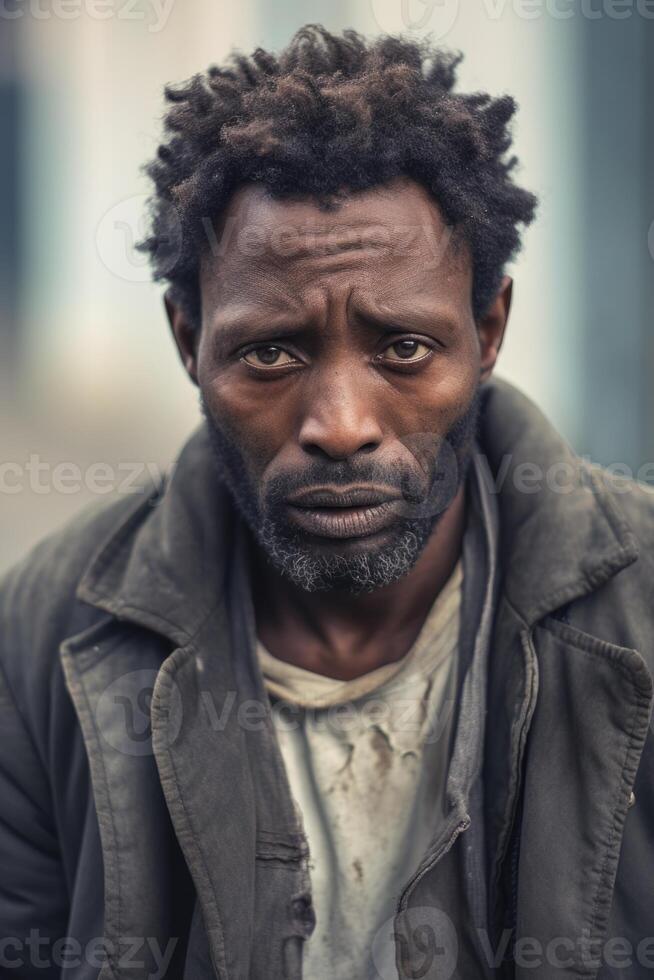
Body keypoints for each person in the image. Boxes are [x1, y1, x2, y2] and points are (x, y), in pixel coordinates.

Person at [1, 24, 653, 980]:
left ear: (488, 329)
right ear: (189, 342)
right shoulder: (42, 634)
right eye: (270, 353)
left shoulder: (641, 607)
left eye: (403, 349)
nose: (341, 425)